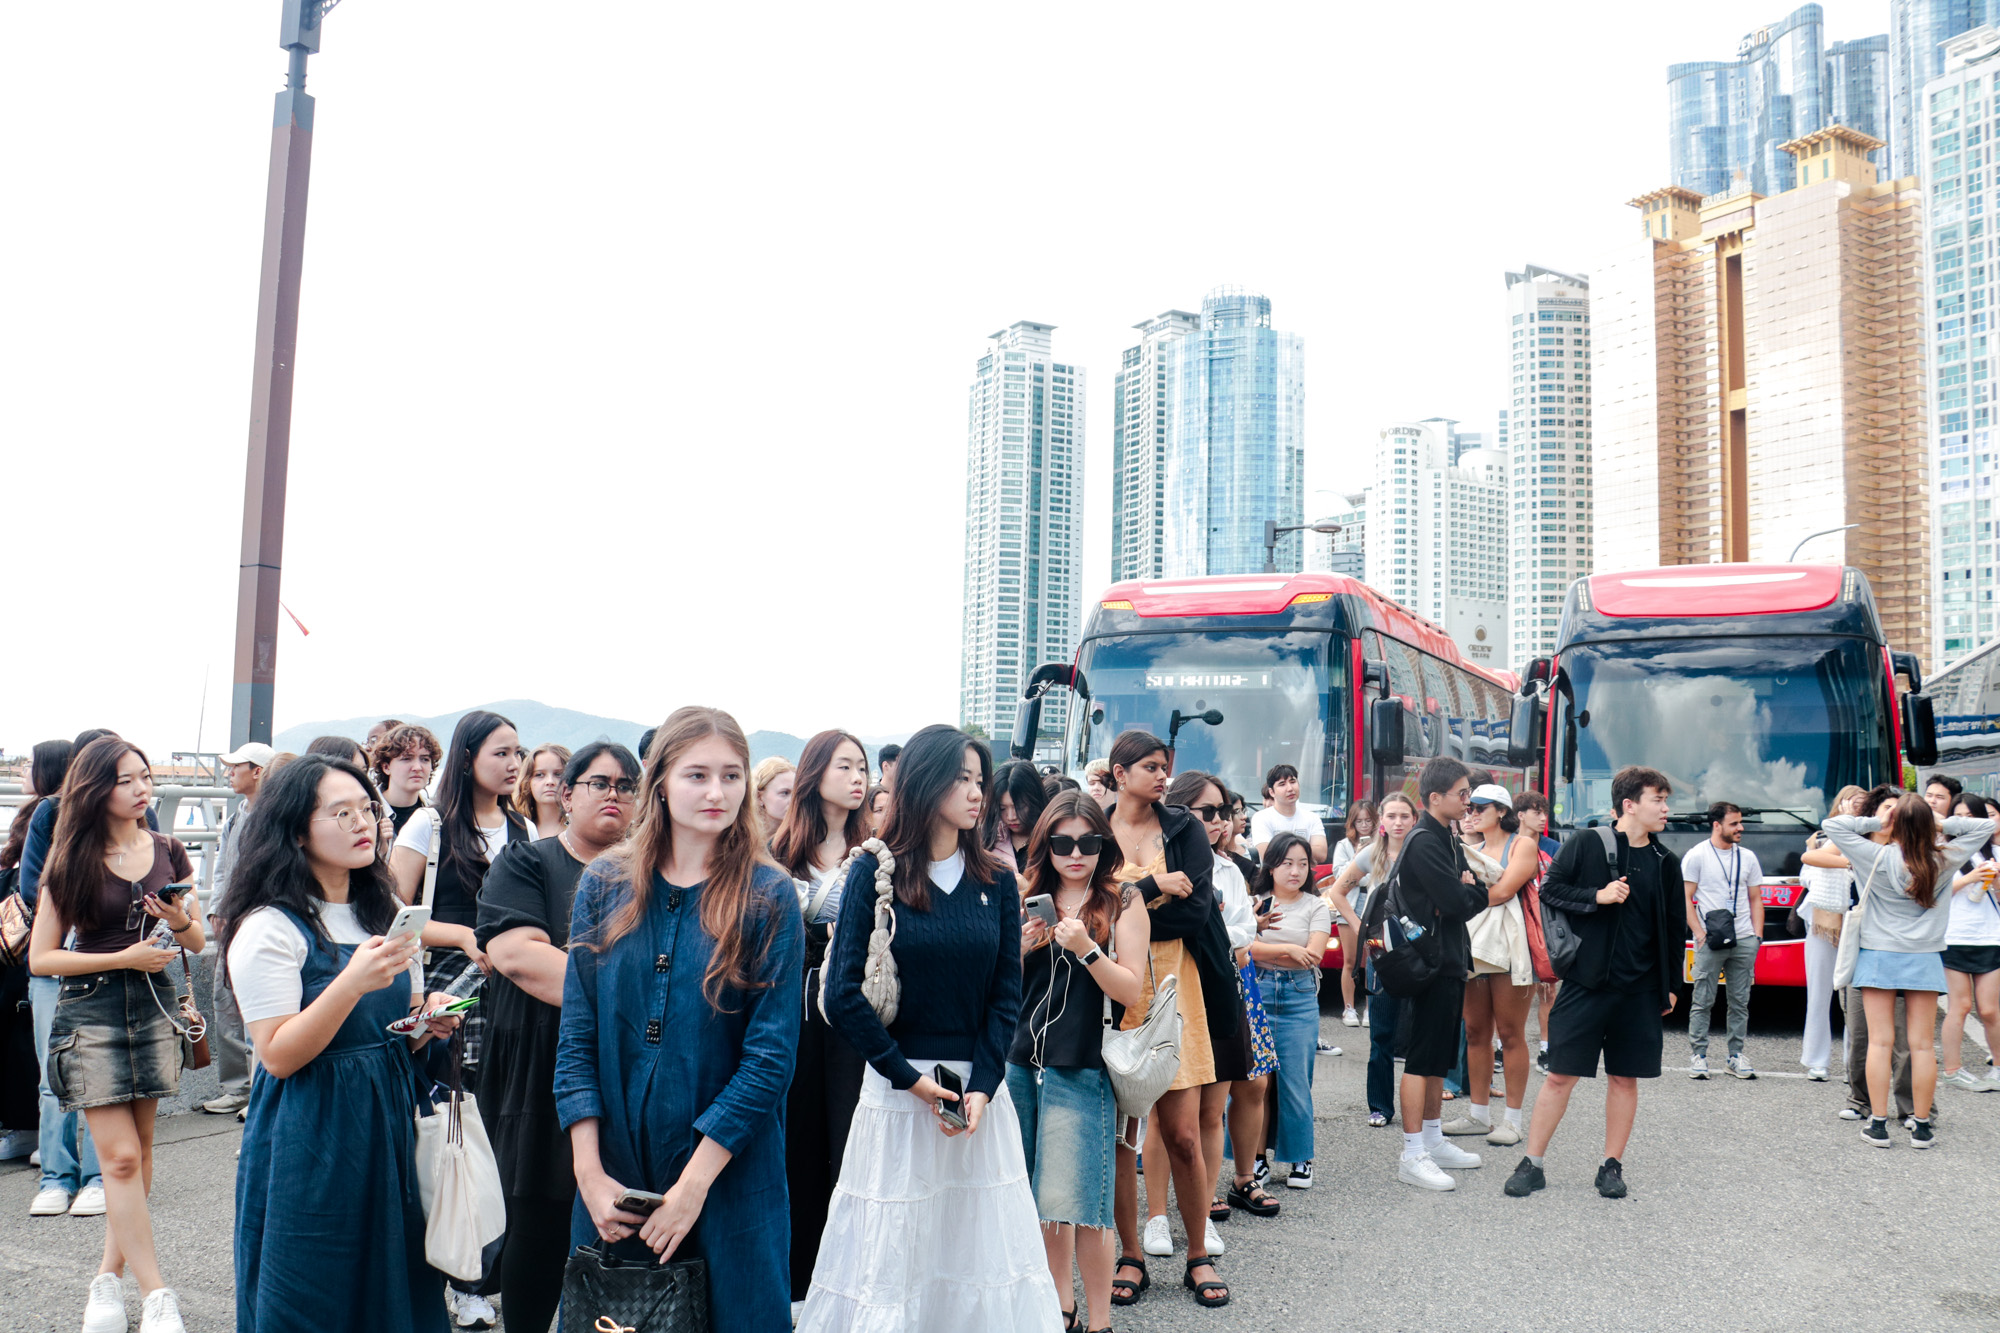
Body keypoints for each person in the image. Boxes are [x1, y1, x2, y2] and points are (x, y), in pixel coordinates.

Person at [799, 724, 1058, 1330]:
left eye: (980, 780)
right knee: (894, 1253)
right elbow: (842, 994)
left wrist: (985, 1085)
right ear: (924, 781)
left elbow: (1004, 998)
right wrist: (905, 1078)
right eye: (961, 779)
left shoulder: (996, 881)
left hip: (976, 1100)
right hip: (898, 1093)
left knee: (977, 1249)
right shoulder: (875, 872)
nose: (977, 794)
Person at [556, 707, 803, 1331]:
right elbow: (577, 1038)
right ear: (659, 780)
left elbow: (770, 1059)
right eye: (697, 774)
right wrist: (588, 1175)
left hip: (729, 1182)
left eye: (732, 774)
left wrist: (692, 1189)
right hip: (616, 1184)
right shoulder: (605, 885)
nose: (717, 792)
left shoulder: (769, 895)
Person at [223, 754, 460, 1332]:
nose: (362, 824)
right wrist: (350, 984)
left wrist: (426, 1022)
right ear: (296, 830)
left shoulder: (382, 913)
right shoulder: (269, 927)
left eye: (367, 809)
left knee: (394, 1280)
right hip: (313, 1131)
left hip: (388, 1121)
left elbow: (391, 1036)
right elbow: (277, 1054)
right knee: (314, 1284)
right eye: (340, 812)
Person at [28, 736, 205, 1333]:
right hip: (92, 1010)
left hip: (154, 1007)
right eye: (126, 780)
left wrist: (176, 919)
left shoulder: (170, 850)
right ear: (95, 788)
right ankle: (157, 1292)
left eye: (145, 777)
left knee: (142, 1152)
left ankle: (107, 1279)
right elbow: (43, 958)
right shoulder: (70, 858)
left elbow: (198, 941)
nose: (141, 789)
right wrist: (123, 958)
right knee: (122, 1159)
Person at [477, 742, 639, 1333]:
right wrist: (647, 991)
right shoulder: (528, 863)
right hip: (537, 1063)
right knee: (538, 1227)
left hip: (630, 1063)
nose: (614, 795)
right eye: (599, 783)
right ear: (566, 795)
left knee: (621, 1223)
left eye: (627, 785)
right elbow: (521, 959)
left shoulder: (655, 875)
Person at [388, 710, 527, 1328]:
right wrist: (466, 935)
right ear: (469, 757)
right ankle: (455, 1276)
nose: (514, 764)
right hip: (451, 991)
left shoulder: (521, 827)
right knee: (452, 1125)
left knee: (496, 1126)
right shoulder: (431, 823)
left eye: (518, 754)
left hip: (511, 994)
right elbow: (389, 912)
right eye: (502, 752)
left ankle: (482, 1272)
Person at [1101, 732, 1241, 1312]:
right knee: (1118, 1139)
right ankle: (1130, 1253)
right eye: (1150, 767)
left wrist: (1120, 904)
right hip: (1107, 991)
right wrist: (1152, 886)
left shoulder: (1182, 829)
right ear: (1118, 771)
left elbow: (1196, 911)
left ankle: (1196, 1253)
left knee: (1184, 1135)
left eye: (1166, 767)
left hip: (1175, 989)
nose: (1163, 777)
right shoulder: (1091, 821)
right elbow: (1080, 902)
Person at [1505, 766, 1683, 1200]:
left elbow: (1674, 929)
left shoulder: (1665, 862)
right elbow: (1550, 890)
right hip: (1586, 984)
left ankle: (1611, 1166)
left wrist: (1671, 984)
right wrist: (1597, 896)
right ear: (1629, 805)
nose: (1665, 808)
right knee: (1560, 1077)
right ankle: (1533, 1163)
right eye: (1657, 799)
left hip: (1640, 991)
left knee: (1625, 1079)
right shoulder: (1588, 843)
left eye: (1665, 800)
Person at [1010, 792, 1149, 1333]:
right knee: (1042, 1200)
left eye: (1088, 843)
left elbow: (1131, 990)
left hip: (1082, 1065)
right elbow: (996, 988)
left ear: (1102, 845)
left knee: (1085, 1203)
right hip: (1021, 1062)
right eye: (1062, 843)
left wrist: (1088, 948)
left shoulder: (1122, 900)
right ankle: (1058, 1308)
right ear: (1045, 843)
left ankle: (1100, 1322)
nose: (1075, 854)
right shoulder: (1024, 894)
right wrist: (1020, 950)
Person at [768, 729, 873, 1307]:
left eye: (862, 767)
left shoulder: (877, 849)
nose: (858, 778)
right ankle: (796, 1286)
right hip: (792, 1010)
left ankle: (850, 1283)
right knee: (796, 1141)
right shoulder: (778, 850)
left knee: (852, 1140)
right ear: (814, 774)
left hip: (855, 1016)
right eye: (844, 766)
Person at [1822, 793, 1994, 1147]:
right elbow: (1987, 825)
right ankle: (1920, 1125)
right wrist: (1941, 823)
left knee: (1880, 1043)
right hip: (1925, 956)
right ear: (1927, 825)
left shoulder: (1875, 855)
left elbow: (1832, 825)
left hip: (1879, 954)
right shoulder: (1944, 858)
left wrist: (1877, 823)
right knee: (1922, 1047)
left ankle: (1879, 1124)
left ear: (1896, 824)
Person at [1805, 786, 1936, 1122]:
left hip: (1901, 950)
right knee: (1861, 1032)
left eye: (1897, 811)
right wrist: (1855, 850)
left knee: (1905, 1039)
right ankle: (1860, 1099)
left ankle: (1913, 1107)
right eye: (1885, 809)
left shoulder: (1914, 853)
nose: (1890, 816)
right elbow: (1811, 855)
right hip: (1860, 946)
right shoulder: (1858, 845)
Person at [1388, 759, 1489, 1191]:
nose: (1469, 802)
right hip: (1426, 964)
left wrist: (1469, 889)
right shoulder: (1425, 840)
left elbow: (1469, 893)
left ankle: (1432, 1138)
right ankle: (1412, 1153)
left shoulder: (1445, 836)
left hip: (1447, 960)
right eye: (1462, 794)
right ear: (1435, 798)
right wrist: (1470, 889)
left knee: (1437, 1059)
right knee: (1421, 1059)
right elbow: (1458, 899)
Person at [1443, 784, 1540, 1148]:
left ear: (1501, 810)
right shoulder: (1473, 849)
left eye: (1480, 806)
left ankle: (1513, 1121)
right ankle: (1478, 1116)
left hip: (1511, 948)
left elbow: (1504, 891)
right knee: (1475, 1032)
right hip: (1474, 945)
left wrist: (1469, 891)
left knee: (1512, 1034)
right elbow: (1473, 894)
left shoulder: (1522, 844)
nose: (1471, 812)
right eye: (1468, 807)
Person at [1326, 792, 1417, 1128]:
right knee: (1381, 1034)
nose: (1397, 822)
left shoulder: (1424, 851)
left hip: (1422, 953)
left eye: (1404, 816)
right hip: (1383, 953)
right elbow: (1337, 891)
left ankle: (1418, 1108)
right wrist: (1359, 924)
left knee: (1420, 1034)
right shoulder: (1371, 854)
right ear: (1382, 821)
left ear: (1414, 820)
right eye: (1391, 816)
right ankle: (1380, 1106)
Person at [199, 740, 276, 1118]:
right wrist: (216, 908)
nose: (229, 773)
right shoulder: (236, 815)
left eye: (235, 767)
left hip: (259, 922)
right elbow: (222, 868)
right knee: (225, 1001)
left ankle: (257, 1089)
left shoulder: (275, 815)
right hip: (232, 921)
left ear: (257, 770)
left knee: (259, 1006)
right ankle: (237, 1087)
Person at [1250, 832, 1331, 1190]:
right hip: (1258, 991)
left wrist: (1267, 950)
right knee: (1257, 1084)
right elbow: (1241, 947)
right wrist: (1287, 950)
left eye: (1302, 864)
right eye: (1286, 863)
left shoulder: (1315, 905)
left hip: (1299, 997)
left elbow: (1312, 955)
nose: (1295, 871)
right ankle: (1255, 1159)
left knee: (1296, 1080)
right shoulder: (1256, 904)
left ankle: (1301, 1158)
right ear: (1271, 867)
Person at [1682, 801, 1765, 1081]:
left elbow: (1756, 898)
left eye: (1740, 822)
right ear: (1717, 825)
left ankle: (1735, 1056)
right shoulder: (1697, 856)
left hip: (1743, 939)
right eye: (1734, 823)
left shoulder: (1749, 857)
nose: (1740, 828)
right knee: (1703, 999)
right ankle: (1699, 1056)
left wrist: (1757, 936)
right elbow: (1685, 899)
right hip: (1711, 940)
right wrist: (1700, 934)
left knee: (1740, 1001)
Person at [1796, 785, 1868, 1081]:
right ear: (1840, 805)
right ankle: (1817, 1060)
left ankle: (1856, 1062)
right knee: (1819, 991)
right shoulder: (1824, 838)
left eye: (1864, 803)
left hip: (1861, 922)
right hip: (1823, 922)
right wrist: (1847, 861)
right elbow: (1808, 872)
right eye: (1852, 802)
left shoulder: (1874, 838)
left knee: (1858, 997)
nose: (1857, 807)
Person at [1939, 792, 2000, 1092]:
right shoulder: (1942, 852)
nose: (1963, 822)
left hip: (1990, 937)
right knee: (1959, 1006)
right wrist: (1970, 876)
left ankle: (1999, 1068)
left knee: (1989, 1010)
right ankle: (1953, 1069)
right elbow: (1935, 893)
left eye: (1970, 816)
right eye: (1958, 816)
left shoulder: (1994, 852)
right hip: (1954, 937)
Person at [1512, 792, 1562, 1072]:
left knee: (1548, 990)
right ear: (1520, 815)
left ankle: (1546, 1049)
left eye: (1544, 812)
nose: (1543, 817)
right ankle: (1501, 1045)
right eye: (1536, 812)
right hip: (1514, 924)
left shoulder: (1552, 847)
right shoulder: (1509, 843)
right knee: (1513, 992)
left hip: (1544, 926)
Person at [1327, 801, 1377, 1027]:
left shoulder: (1381, 845)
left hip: (1373, 901)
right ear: (1353, 823)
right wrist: (1357, 858)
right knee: (1350, 959)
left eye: (1368, 820)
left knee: (1371, 960)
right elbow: (1339, 875)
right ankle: (1348, 1008)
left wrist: (1360, 874)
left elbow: (1379, 875)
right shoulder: (1344, 845)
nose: (1364, 825)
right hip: (1349, 902)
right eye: (1360, 821)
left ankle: (1369, 1008)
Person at [372, 725, 442, 835]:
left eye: (425, 759)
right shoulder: (369, 813)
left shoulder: (438, 815)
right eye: (406, 758)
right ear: (386, 767)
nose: (417, 767)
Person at [1249, 764, 1327, 862]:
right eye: (1282, 784)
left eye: (1293, 782)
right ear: (1272, 792)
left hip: (1305, 877)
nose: (1290, 788)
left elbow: (1321, 854)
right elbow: (1267, 854)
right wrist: (1305, 849)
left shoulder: (1312, 818)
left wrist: (1282, 850)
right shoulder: (1261, 818)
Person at [992, 758, 1051, 874]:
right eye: (1002, 808)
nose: (1011, 816)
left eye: (1019, 807)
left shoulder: (1051, 839)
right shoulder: (989, 839)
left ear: (1034, 801)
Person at [514, 744, 572, 841]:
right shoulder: (517, 829)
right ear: (527, 782)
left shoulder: (580, 830)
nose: (550, 782)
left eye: (558, 774)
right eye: (539, 775)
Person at [753, 756, 796, 835]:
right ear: (759, 797)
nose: (793, 800)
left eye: (796, 794)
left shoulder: (802, 839)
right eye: (785, 793)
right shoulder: (740, 840)